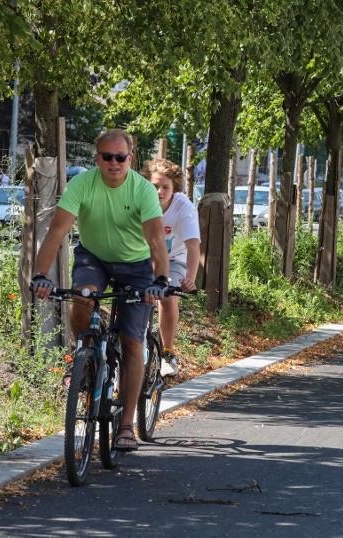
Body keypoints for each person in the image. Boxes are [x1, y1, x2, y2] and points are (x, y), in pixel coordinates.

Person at [31, 128, 169, 452]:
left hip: (136, 266)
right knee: (83, 295)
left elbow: (155, 240)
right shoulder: (82, 184)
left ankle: (125, 426)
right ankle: (86, 356)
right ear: (97, 159)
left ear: (130, 159)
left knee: (132, 341)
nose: (114, 163)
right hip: (94, 258)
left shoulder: (143, 191)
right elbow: (57, 232)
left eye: (120, 157)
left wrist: (159, 280)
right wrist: (40, 274)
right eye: (107, 157)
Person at [141, 158, 200, 378]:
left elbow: (193, 245)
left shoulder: (183, 207)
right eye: (154, 186)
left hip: (174, 259)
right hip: (143, 258)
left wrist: (190, 279)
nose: (159, 192)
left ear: (174, 188)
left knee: (166, 297)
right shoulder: (139, 201)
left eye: (165, 187)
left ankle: (167, 353)